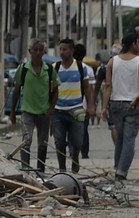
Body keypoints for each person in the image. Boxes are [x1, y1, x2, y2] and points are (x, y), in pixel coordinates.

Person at [103, 35, 139, 181]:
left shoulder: (113, 61)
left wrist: (104, 107)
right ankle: (121, 172)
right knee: (129, 140)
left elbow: (108, 85)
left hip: (116, 104)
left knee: (120, 139)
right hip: (133, 104)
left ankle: (118, 167)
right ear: (134, 44)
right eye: (138, 43)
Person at [14, 41, 56, 173]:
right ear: (30, 51)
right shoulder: (23, 69)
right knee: (26, 140)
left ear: (44, 52)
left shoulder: (49, 69)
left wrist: (51, 108)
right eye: (35, 50)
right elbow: (16, 90)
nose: (38, 52)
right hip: (27, 111)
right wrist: (12, 112)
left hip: (44, 112)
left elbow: (55, 90)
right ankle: (25, 167)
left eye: (40, 50)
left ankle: (40, 169)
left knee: (43, 143)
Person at [52, 39, 92, 173]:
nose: (62, 52)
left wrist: (91, 106)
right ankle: (62, 168)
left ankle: (75, 158)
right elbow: (49, 89)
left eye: (65, 49)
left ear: (72, 50)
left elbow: (87, 88)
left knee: (77, 141)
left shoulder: (81, 67)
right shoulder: (54, 67)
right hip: (58, 111)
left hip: (77, 109)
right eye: (61, 49)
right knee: (59, 142)